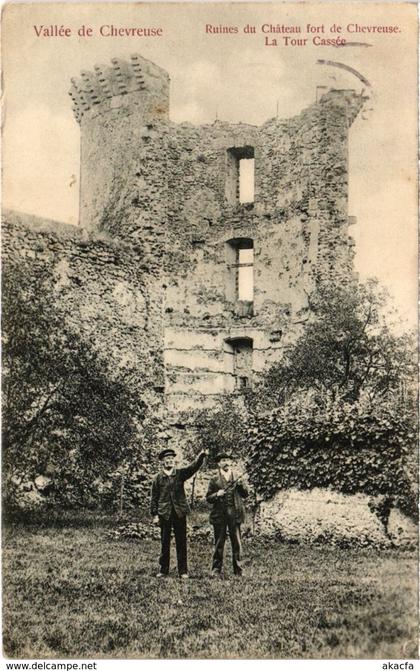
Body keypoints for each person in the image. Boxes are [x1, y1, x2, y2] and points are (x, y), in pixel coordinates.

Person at [150, 446, 208, 579]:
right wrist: (155, 515)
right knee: (165, 542)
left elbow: (193, 468)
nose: (169, 461)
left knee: (181, 541)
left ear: (174, 461)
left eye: (171, 458)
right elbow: (154, 498)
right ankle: (163, 570)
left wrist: (201, 455)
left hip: (179, 512)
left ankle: (183, 571)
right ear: (162, 462)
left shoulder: (180, 474)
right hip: (164, 513)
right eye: (167, 459)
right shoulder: (157, 478)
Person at [206, 452, 249, 577]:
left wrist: (241, 485)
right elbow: (208, 498)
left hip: (234, 514)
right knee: (219, 543)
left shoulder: (237, 477)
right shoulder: (214, 479)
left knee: (237, 542)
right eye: (223, 460)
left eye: (227, 460)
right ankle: (216, 569)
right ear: (219, 463)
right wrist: (216, 495)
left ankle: (238, 569)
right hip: (220, 515)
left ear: (231, 462)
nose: (226, 462)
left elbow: (246, 494)